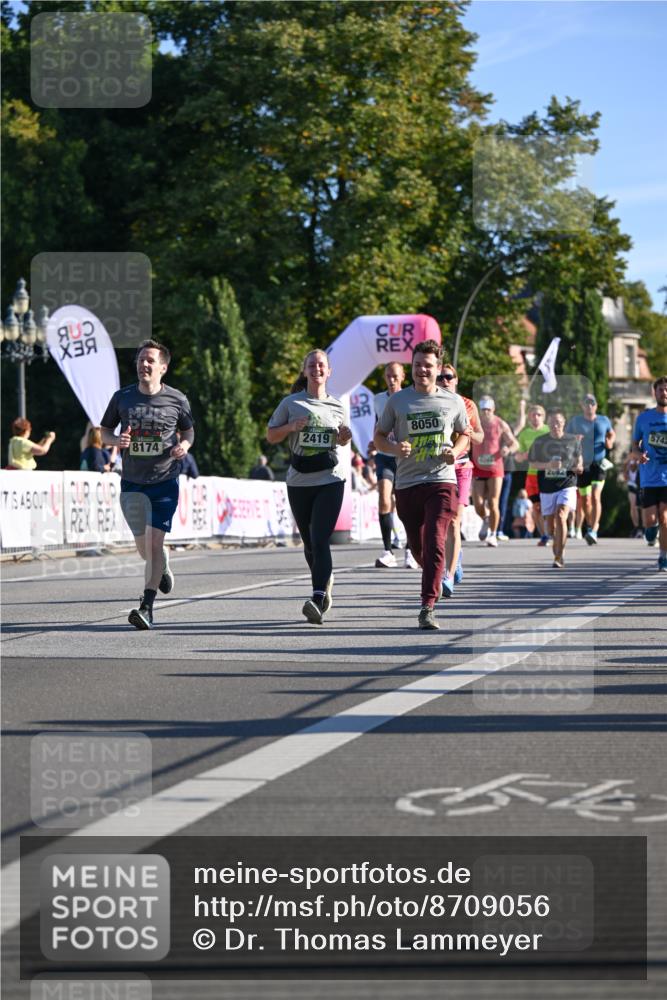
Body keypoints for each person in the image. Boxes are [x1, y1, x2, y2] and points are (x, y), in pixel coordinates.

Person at [375, 340, 470, 630]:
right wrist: (394, 449)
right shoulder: (398, 401)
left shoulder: (452, 402)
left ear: (438, 368)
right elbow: (379, 438)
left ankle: (427, 606)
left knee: (435, 539)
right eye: (417, 365)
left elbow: (464, 434)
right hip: (407, 483)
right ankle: (436, 571)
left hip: (441, 480)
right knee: (418, 548)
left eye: (428, 366)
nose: (422, 371)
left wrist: (455, 452)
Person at [101, 339, 194, 630]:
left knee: (153, 546)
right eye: (141, 360)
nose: (144, 364)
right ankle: (162, 563)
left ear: (163, 367)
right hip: (132, 482)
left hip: (165, 480)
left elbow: (189, 431)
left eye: (150, 360)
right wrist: (117, 441)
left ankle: (147, 607)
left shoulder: (177, 399)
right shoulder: (122, 398)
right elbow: (103, 431)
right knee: (144, 550)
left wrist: (185, 446)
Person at [267, 348, 352, 624]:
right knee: (309, 543)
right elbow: (271, 436)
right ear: (305, 371)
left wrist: (344, 437)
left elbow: (342, 440)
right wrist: (291, 427)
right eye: (312, 365)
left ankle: (317, 599)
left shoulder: (338, 406)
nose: (317, 369)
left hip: (330, 479)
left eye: (322, 365)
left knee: (319, 538)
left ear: (329, 372)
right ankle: (325, 581)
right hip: (299, 481)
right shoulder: (291, 403)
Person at [436, 364, 483, 597]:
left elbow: (480, 435)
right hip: (437, 467)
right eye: (440, 378)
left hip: (462, 467)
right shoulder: (430, 403)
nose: (444, 381)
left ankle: (448, 575)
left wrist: (468, 433)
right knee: (440, 523)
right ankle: (457, 555)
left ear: (456, 379)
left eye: (448, 377)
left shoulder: (468, 404)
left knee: (454, 520)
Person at [372, 362, 418, 569]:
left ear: (403, 377)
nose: (392, 380)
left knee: (405, 504)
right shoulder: (378, 399)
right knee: (383, 498)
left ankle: (410, 550)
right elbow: (377, 425)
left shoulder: (409, 397)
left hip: (405, 456)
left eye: (395, 376)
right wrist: (374, 440)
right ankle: (388, 551)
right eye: (388, 376)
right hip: (384, 455)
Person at [528, 408, 583, 568]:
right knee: (550, 526)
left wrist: (578, 466)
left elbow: (579, 460)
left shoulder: (573, 440)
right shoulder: (540, 441)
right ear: (548, 423)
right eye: (552, 422)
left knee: (561, 515)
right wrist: (548, 465)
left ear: (564, 423)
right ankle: (556, 544)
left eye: (558, 422)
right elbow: (532, 463)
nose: (555, 426)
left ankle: (559, 555)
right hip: (547, 487)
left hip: (567, 484)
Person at [566, 393, 615, 544]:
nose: (589, 405)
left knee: (595, 496)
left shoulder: (604, 420)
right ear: (582, 405)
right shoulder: (576, 421)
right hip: (582, 465)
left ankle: (594, 530)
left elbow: (611, 433)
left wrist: (610, 442)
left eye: (592, 403)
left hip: (599, 464)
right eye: (586, 403)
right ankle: (589, 525)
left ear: (596, 405)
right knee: (586, 500)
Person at [631, 375, 667, 571]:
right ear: (655, 393)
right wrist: (639, 456)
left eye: (666, 389)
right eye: (661, 389)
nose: (664, 393)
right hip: (649, 477)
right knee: (651, 522)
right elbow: (634, 445)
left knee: (665, 518)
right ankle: (650, 532)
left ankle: (663, 556)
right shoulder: (644, 418)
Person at [471, 397, 517, 547]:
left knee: (493, 502)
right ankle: (486, 519)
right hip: (477, 466)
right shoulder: (473, 422)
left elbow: (514, 443)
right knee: (478, 503)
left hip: (495, 467)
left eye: (488, 410)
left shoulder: (500, 423)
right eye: (483, 410)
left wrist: (508, 449)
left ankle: (492, 534)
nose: (486, 413)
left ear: (493, 409)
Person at [514, 402, 550, 545]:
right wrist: (522, 456)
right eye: (533, 415)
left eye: (539, 415)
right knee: (536, 507)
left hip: (549, 474)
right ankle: (544, 535)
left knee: (549, 507)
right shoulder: (525, 434)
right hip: (532, 474)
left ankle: (551, 531)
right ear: (529, 417)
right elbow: (517, 456)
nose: (536, 417)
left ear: (544, 417)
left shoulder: (549, 431)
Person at [623, 453, 643, 538]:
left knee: (643, 507)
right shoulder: (630, 456)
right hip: (632, 484)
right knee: (633, 506)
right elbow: (627, 470)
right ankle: (636, 527)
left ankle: (645, 527)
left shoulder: (644, 453)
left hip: (642, 484)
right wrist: (626, 470)